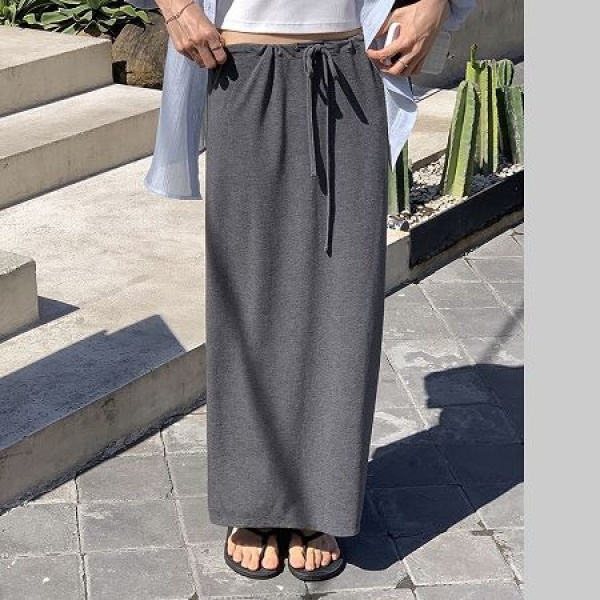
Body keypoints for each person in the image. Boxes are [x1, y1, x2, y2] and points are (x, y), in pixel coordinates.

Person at [126, 0, 476, 582]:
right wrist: (177, 7)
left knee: (344, 299)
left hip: (351, 68)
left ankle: (322, 497)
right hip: (241, 65)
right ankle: (252, 499)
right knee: (249, 300)